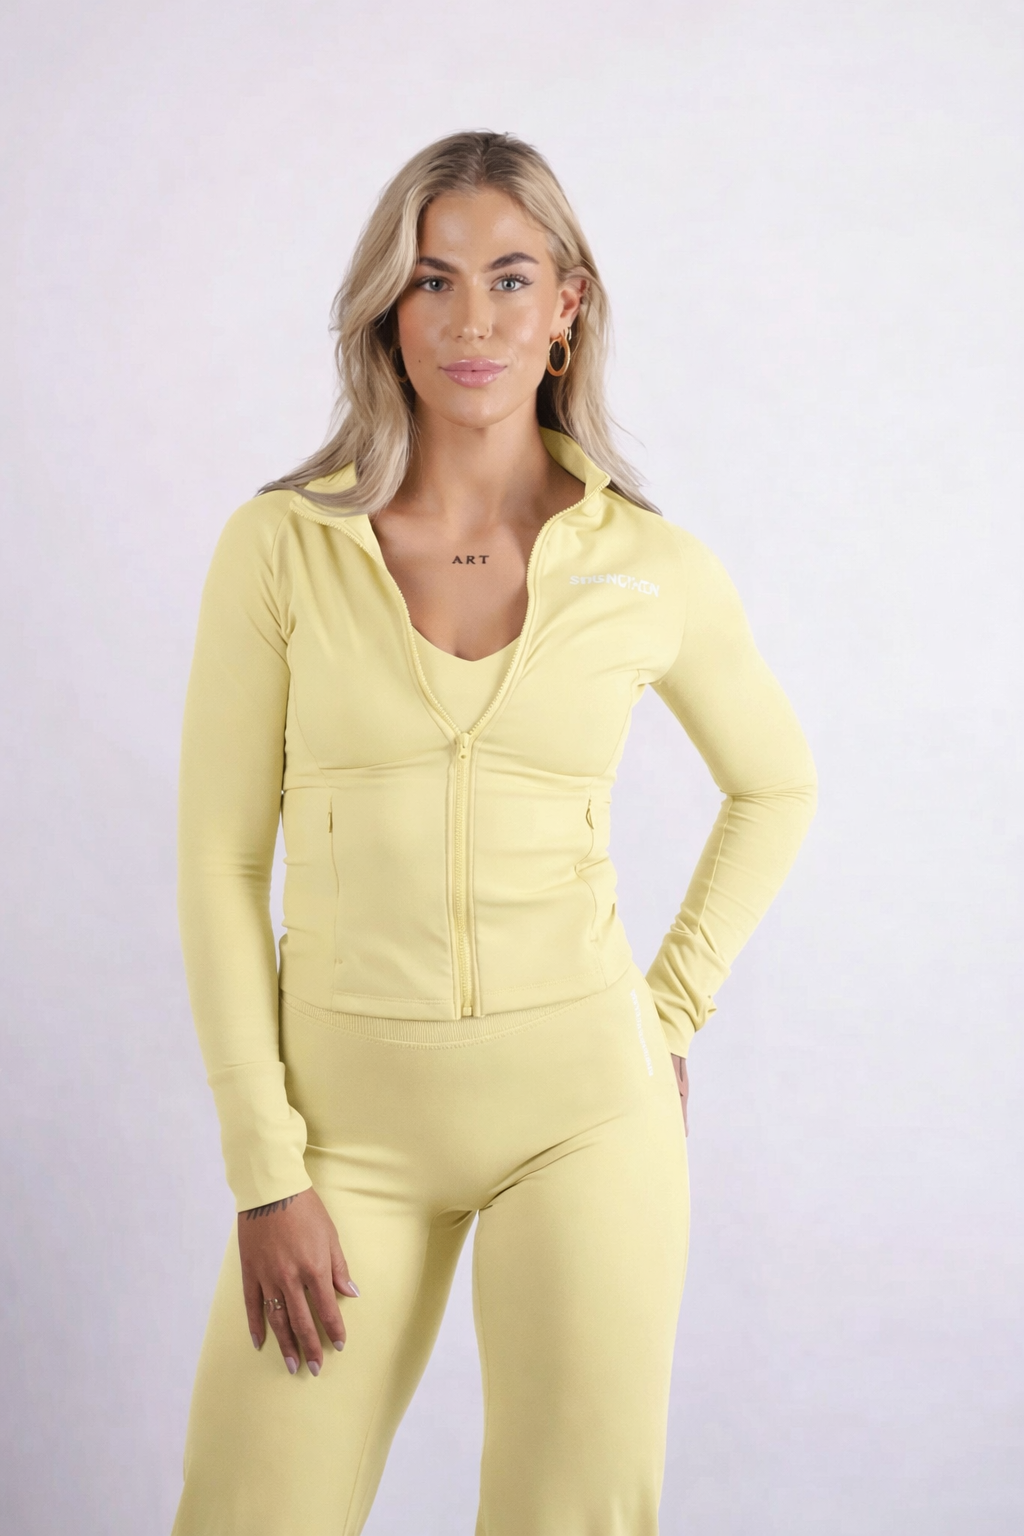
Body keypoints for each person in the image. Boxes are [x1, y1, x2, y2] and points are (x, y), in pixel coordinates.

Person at [170, 130, 817, 1536]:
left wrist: (670, 1010)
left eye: (510, 279)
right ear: (387, 310)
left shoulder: (649, 566)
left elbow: (777, 786)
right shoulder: (282, 547)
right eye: (433, 280)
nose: (473, 320)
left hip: (586, 1120)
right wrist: (265, 1170)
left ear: (566, 305)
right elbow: (221, 863)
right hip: (341, 1138)